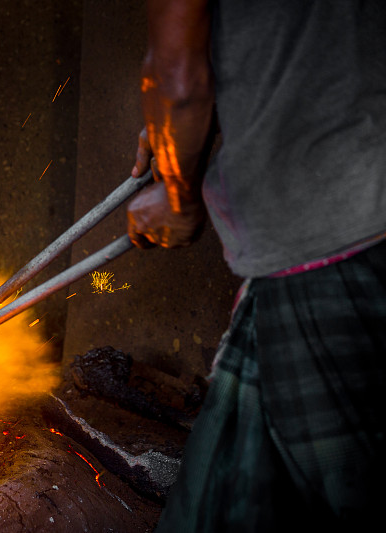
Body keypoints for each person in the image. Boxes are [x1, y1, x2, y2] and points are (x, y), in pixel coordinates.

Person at [126, 0, 386, 531]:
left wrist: (178, 192)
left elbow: (178, 77)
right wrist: (186, 133)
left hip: (327, 247)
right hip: (320, 251)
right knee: (209, 511)